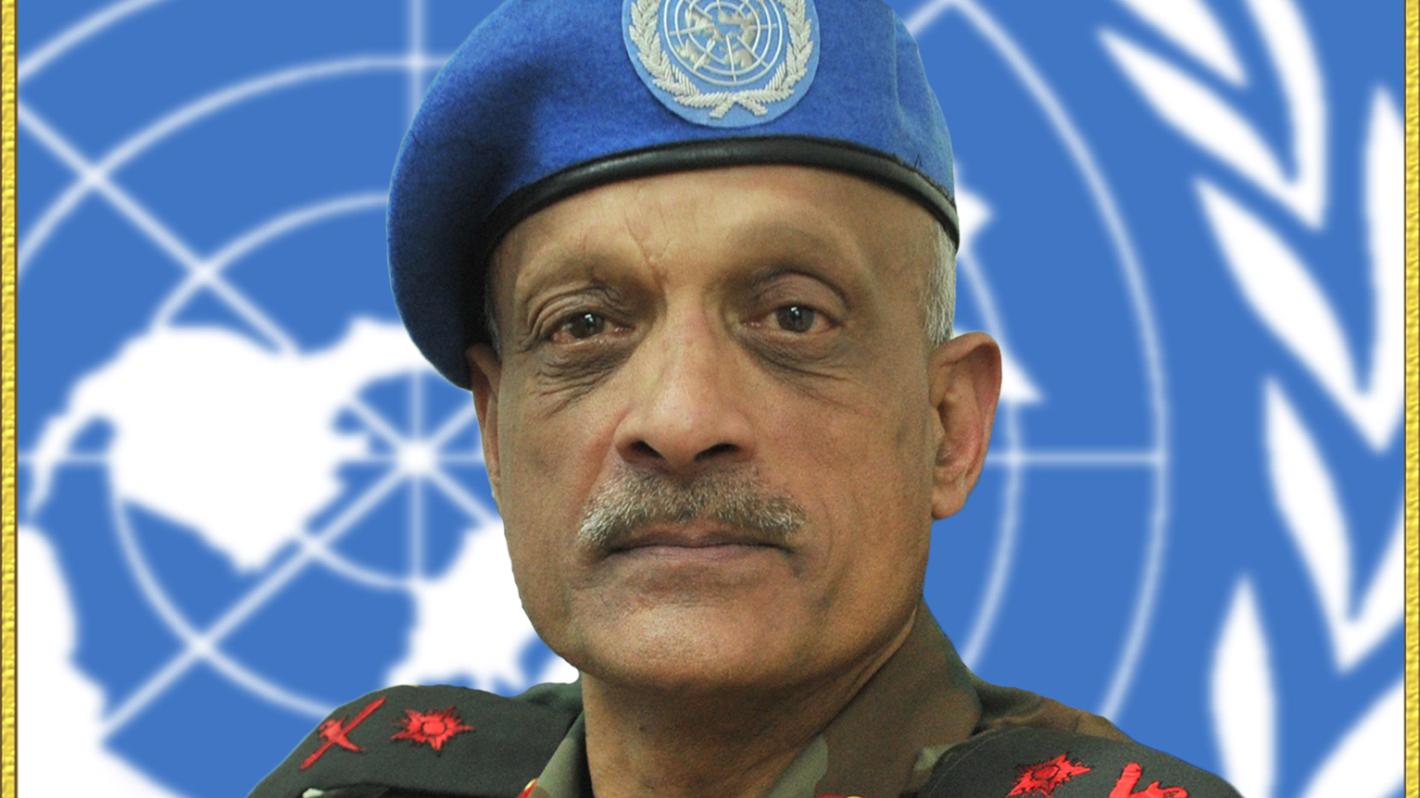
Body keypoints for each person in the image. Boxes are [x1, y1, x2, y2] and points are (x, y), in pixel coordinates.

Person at [252, 1, 1240, 796]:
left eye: (794, 319)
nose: (679, 422)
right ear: (495, 439)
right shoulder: (367, 780)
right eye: (585, 327)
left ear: (948, 429)